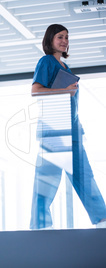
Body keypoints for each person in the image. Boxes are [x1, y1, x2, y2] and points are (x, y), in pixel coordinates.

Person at [30, 24, 106, 229]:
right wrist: (64, 90)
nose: (64, 41)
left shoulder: (65, 67)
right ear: (50, 40)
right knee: (47, 180)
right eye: (60, 37)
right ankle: (40, 225)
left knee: (84, 176)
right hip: (54, 131)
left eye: (67, 37)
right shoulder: (46, 61)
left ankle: (101, 219)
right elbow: (35, 91)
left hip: (72, 130)